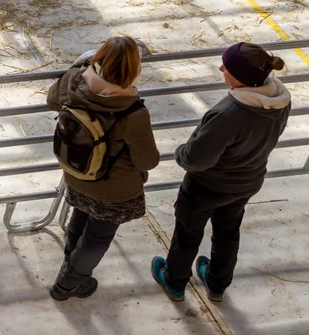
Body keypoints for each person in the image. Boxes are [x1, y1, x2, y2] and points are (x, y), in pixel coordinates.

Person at [152, 42, 291, 301]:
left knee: (187, 233)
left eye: (226, 67)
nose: (220, 69)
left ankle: (174, 280)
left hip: (207, 188)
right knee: (228, 232)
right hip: (247, 182)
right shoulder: (280, 101)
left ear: (243, 77)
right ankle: (217, 284)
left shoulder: (229, 113)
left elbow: (196, 159)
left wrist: (180, 151)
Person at [47, 36, 160, 300]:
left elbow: (52, 101)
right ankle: (68, 283)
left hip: (77, 171)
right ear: (134, 69)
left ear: (98, 57)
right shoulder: (133, 113)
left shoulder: (74, 80)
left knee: (81, 212)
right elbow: (148, 161)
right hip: (115, 189)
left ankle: (70, 260)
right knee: (97, 238)